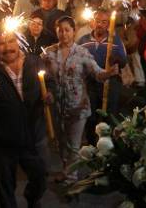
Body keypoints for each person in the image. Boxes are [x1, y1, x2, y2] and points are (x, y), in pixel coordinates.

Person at [0, 25, 53, 208]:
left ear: (18, 41)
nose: (7, 47)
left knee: (41, 177)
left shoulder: (35, 62)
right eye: (1, 43)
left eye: (11, 41)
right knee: (6, 189)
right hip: (2, 140)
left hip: (33, 136)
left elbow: (50, 84)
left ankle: (31, 197)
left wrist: (50, 94)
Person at [42, 16, 117, 183]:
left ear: (74, 31)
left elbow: (97, 73)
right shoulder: (49, 53)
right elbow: (42, 77)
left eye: (67, 30)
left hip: (78, 106)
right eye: (60, 30)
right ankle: (66, 168)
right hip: (57, 106)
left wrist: (108, 73)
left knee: (74, 145)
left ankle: (71, 177)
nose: (63, 34)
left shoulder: (82, 52)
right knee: (61, 143)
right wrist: (46, 92)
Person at [77, 10, 127, 143]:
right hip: (90, 84)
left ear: (108, 24)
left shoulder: (115, 40)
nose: (100, 25)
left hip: (110, 84)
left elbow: (124, 62)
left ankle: (108, 145)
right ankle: (92, 144)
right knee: (91, 115)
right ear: (92, 22)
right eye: (97, 21)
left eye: (104, 22)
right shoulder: (83, 40)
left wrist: (116, 59)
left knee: (109, 115)